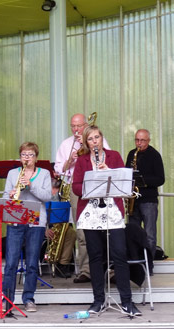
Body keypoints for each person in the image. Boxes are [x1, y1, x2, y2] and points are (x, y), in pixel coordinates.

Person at [72, 125, 141, 317]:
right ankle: (98, 301)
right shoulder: (82, 160)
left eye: (97, 137)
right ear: (86, 143)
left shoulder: (114, 156)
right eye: (90, 139)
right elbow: (76, 187)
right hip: (90, 212)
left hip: (112, 210)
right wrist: (91, 180)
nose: (95, 142)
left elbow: (125, 180)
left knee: (119, 254)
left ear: (102, 138)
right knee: (95, 257)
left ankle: (127, 302)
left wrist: (108, 171)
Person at [54, 113, 109, 284]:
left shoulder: (97, 139)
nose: (76, 129)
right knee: (82, 230)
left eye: (79, 126)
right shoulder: (66, 144)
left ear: (86, 124)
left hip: (98, 187)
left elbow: (108, 157)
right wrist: (70, 160)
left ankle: (107, 269)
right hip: (76, 188)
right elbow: (59, 170)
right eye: (73, 126)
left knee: (105, 228)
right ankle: (86, 270)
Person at [2, 142, 52, 313]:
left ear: (36, 157)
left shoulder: (44, 173)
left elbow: (47, 196)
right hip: (15, 220)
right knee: (10, 262)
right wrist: (9, 195)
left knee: (31, 263)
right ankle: (7, 299)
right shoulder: (12, 173)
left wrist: (30, 184)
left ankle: (29, 298)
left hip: (36, 222)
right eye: (24, 154)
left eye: (30, 155)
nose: (27, 158)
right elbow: (4, 196)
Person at [124, 129, 165, 273]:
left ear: (148, 140)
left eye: (142, 141)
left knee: (149, 234)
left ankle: (149, 266)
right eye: (136, 140)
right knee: (132, 233)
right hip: (133, 200)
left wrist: (142, 181)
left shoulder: (154, 155)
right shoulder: (131, 154)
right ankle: (134, 265)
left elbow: (161, 179)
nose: (139, 143)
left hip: (148, 200)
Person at [45, 179, 77, 278]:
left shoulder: (64, 192)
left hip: (62, 224)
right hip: (46, 226)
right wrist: (44, 229)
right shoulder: (42, 192)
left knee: (71, 233)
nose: (56, 177)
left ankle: (63, 264)